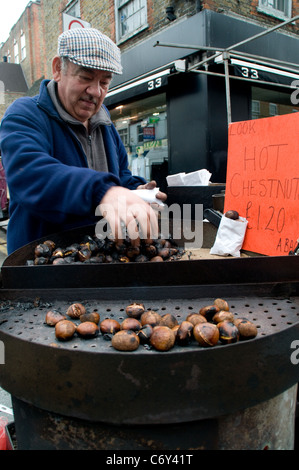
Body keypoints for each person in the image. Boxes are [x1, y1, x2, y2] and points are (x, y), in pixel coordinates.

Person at [0, 28, 166, 254]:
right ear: (58, 69)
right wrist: (103, 191)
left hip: (97, 257)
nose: (95, 91)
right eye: (86, 77)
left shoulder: (105, 124)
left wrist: (135, 190)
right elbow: (31, 175)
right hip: (41, 264)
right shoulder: (24, 114)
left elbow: (119, 177)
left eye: (105, 82)